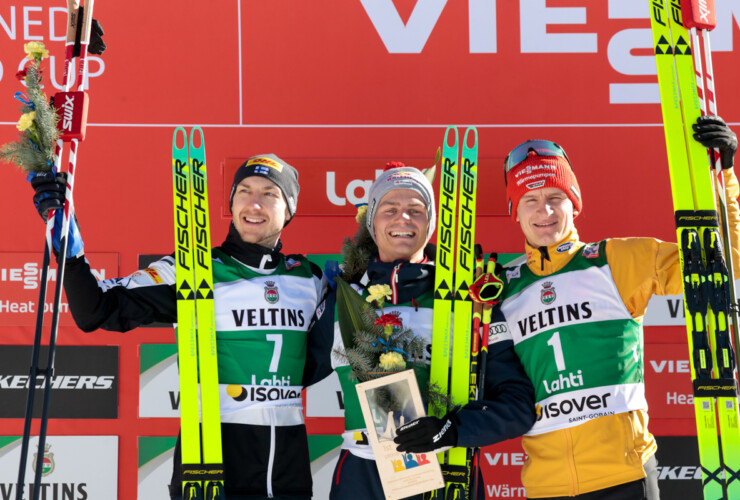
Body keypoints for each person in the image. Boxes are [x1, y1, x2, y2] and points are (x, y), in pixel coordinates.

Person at [30, 154, 331, 500]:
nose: (254, 203)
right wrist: (71, 254)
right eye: (244, 191)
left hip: (288, 467)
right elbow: (95, 310)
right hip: (212, 460)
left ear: (289, 210)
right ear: (231, 201)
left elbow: (319, 361)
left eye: (270, 194)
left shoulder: (311, 279)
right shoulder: (193, 270)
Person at [495, 116, 739, 500]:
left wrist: (722, 177)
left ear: (574, 202)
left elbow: (720, 266)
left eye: (555, 197)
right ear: (516, 210)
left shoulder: (616, 260)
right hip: (546, 486)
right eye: (531, 199)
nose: (545, 211)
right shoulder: (501, 288)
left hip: (624, 476)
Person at [312, 163, 537, 500]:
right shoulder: (342, 296)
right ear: (371, 220)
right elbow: (289, 373)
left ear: (431, 223)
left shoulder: (469, 299)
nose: (403, 218)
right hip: (362, 476)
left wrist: (453, 431)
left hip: (448, 474)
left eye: (416, 210)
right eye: (390, 209)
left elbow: (518, 405)